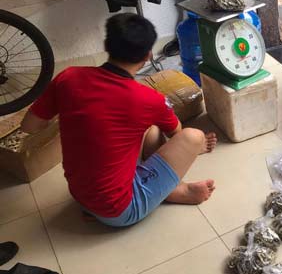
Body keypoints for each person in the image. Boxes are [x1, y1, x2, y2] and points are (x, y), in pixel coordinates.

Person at [21, 13, 217, 227]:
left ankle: (149, 190)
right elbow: (177, 134)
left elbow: (29, 126)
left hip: (81, 194)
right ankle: (179, 190)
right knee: (193, 137)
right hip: (120, 210)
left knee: (150, 129)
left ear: (106, 45)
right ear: (148, 56)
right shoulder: (147, 99)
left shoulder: (68, 77)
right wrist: (195, 148)